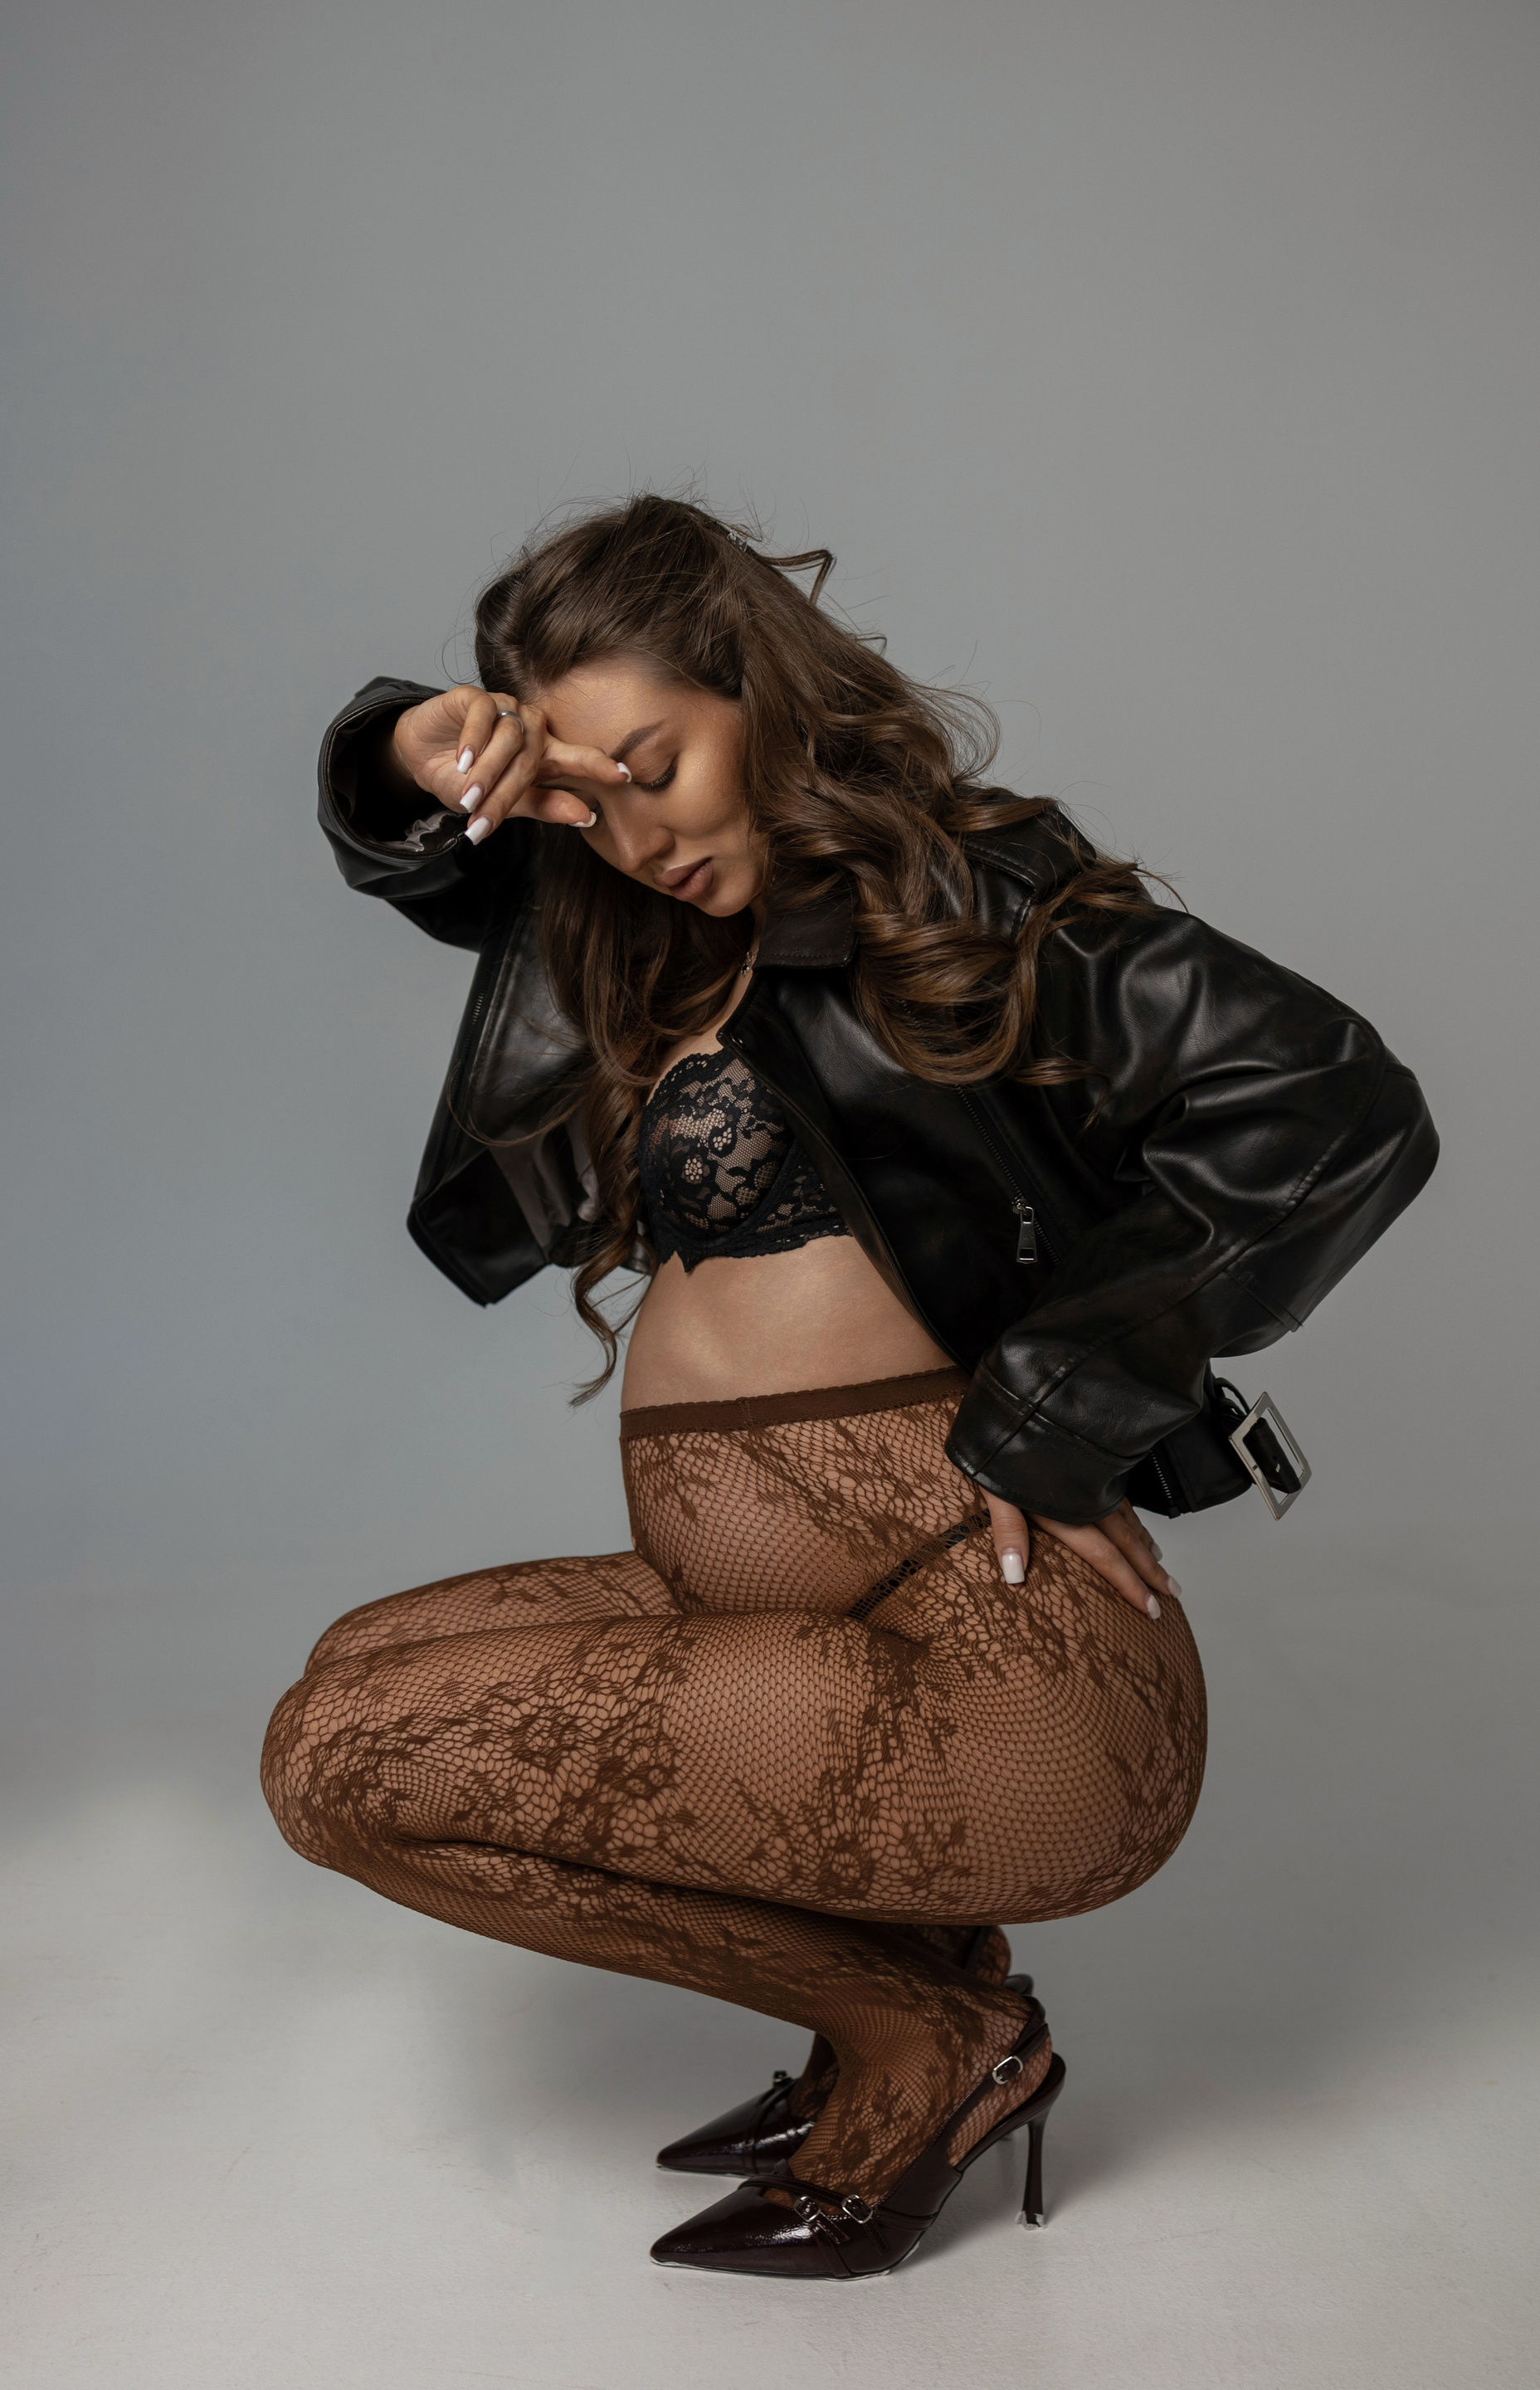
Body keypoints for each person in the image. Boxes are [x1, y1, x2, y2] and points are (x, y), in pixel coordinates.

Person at [261, 496, 1436, 2280]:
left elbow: (1336, 1108)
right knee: (353, 1670)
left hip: (1008, 1685)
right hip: (818, 1618)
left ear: (759, 693)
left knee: (335, 1762)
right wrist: (409, 745)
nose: (632, 831)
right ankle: (908, 1990)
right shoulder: (644, 925)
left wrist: (1060, 1409)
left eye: (654, 763)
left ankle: (932, 2044)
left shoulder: (960, 893)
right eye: (580, 798)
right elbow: (432, 855)